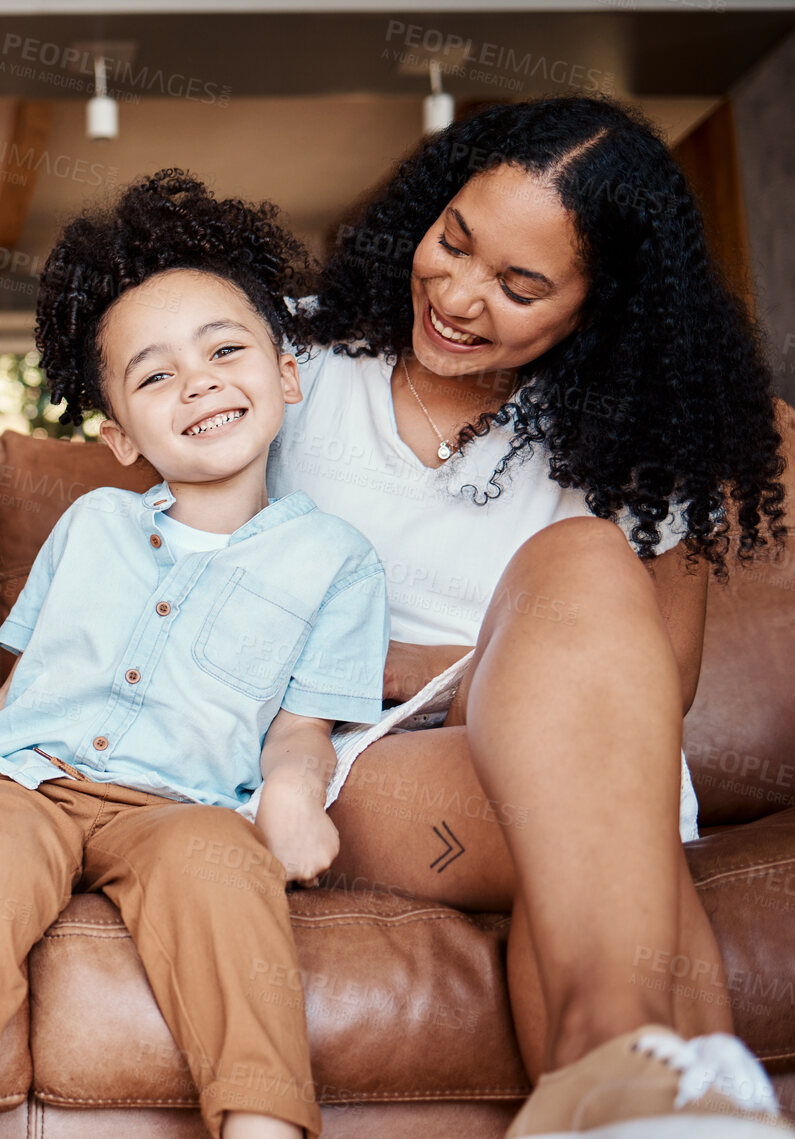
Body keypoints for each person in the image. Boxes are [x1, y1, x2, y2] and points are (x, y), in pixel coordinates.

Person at [272, 97, 789, 1134]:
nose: (458, 296)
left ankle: (622, 1094)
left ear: (605, 304)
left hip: (587, 748)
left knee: (585, 557)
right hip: (346, 747)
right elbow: (201, 582)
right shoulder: (299, 359)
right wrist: (475, 663)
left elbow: (661, 684)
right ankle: (650, 1084)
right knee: (599, 820)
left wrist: (468, 669)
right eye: (453, 241)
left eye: (520, 285)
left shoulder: (642, 442)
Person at [0, 172, 390, 1139]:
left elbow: (303, 726)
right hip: (26, 779)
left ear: (286, 374)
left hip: (181, 806)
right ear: (116, 433)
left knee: (224, 875)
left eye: (224, 350)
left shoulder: (337, 561)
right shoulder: (92, 523)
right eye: (153, 375)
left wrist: (290, 794)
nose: (196, 382)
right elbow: (19, 693)